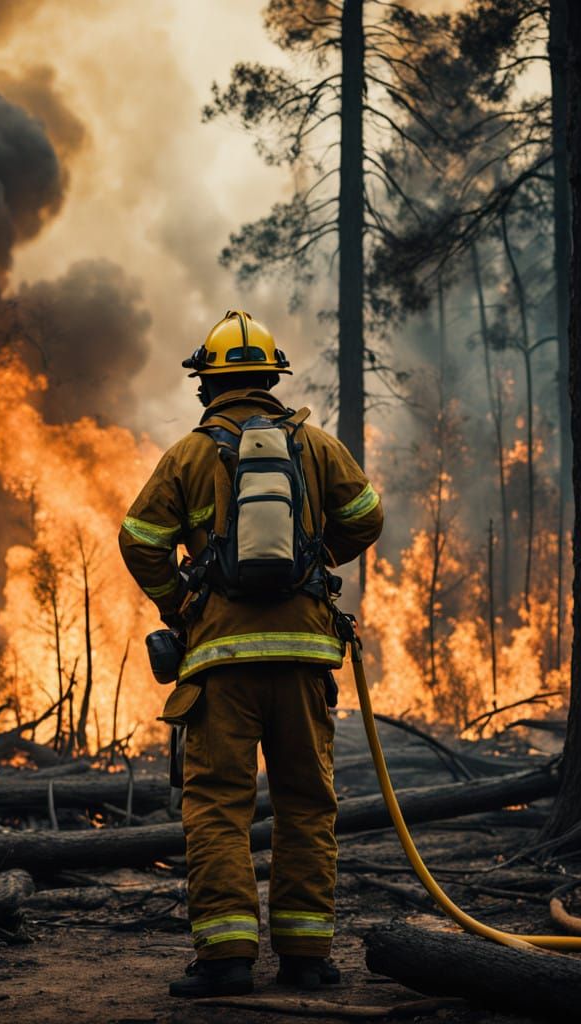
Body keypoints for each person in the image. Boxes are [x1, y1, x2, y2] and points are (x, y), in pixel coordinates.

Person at [119, 310, 383, 998]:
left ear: (207, 385)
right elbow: (367, 517)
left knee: (217, 807)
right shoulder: (317, 448)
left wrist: (177, 601)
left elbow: (139, 537)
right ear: (272, 380)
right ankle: (305, 957)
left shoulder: (187, 455)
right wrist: (318, 557)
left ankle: (226, 959)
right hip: (302, 659)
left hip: (219, 668)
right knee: (305, 803)